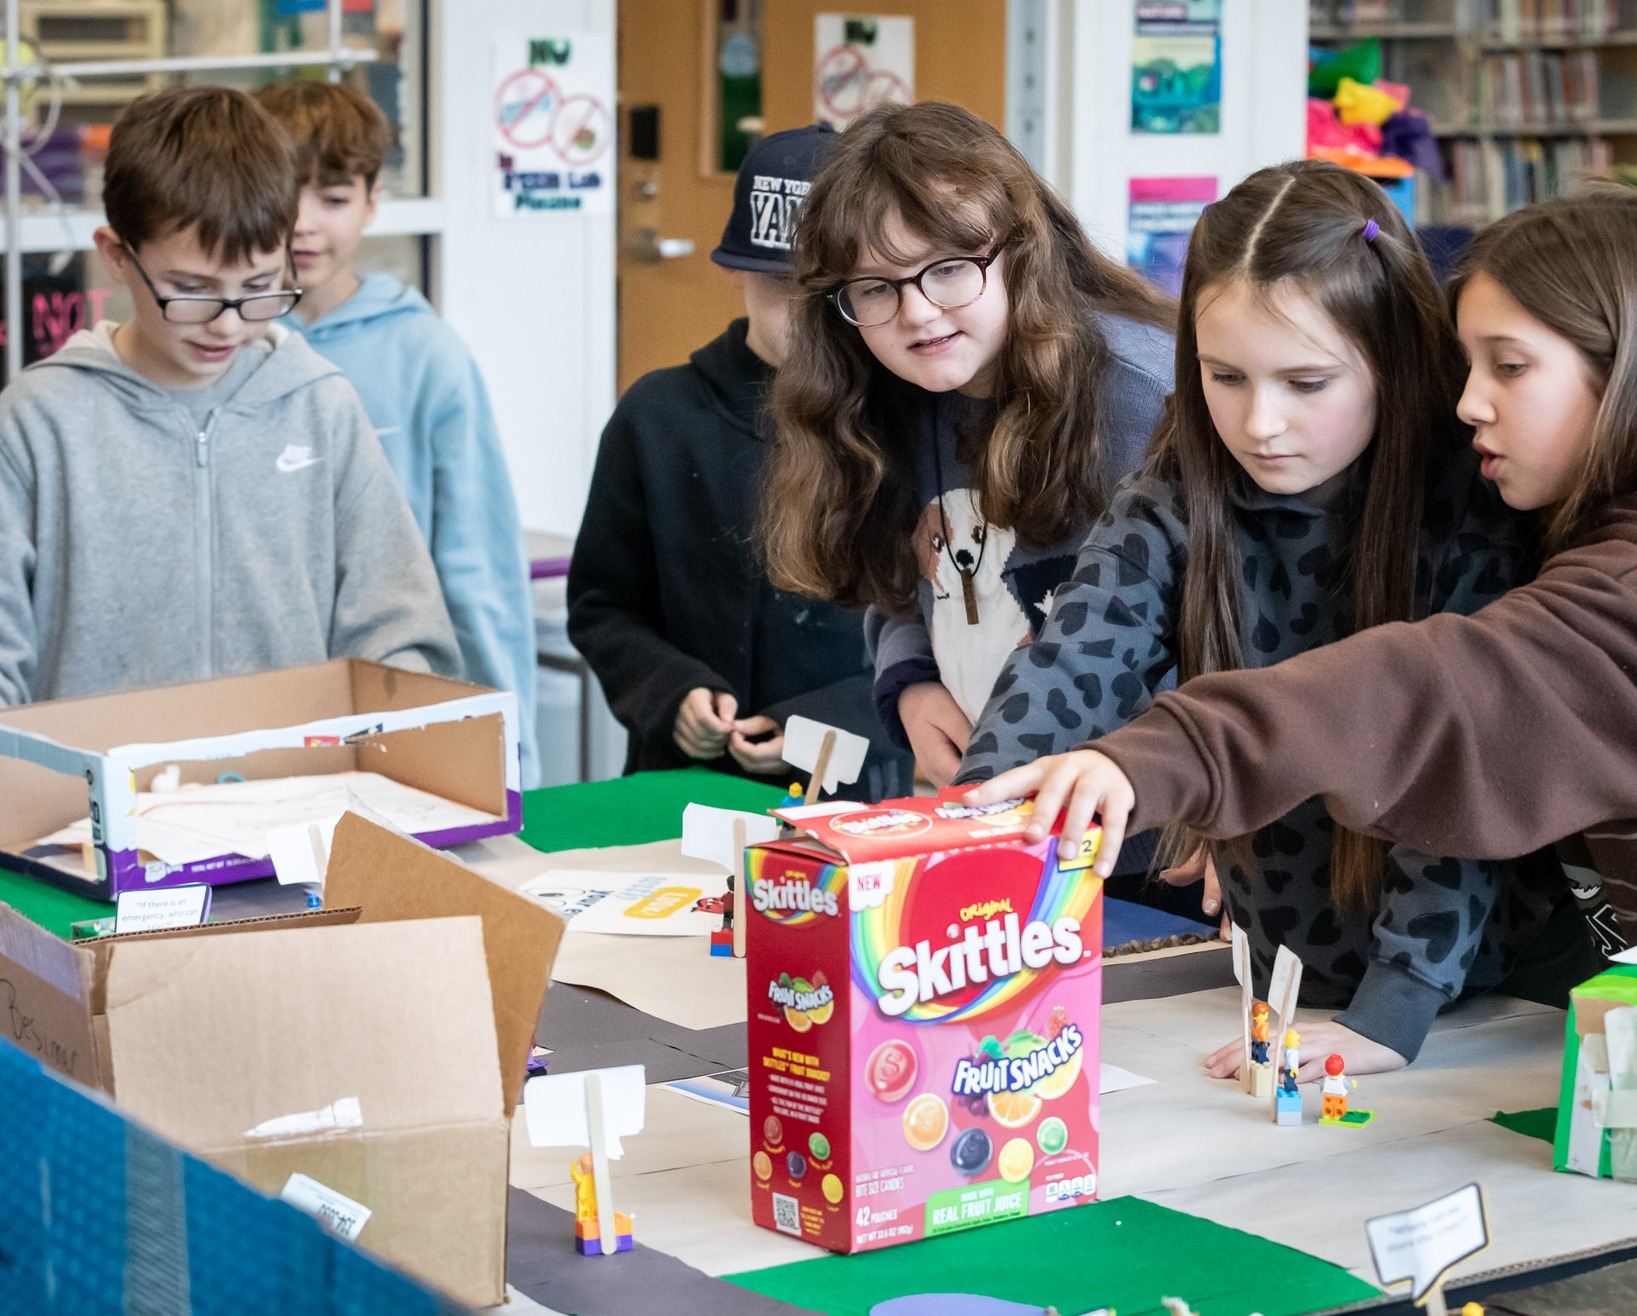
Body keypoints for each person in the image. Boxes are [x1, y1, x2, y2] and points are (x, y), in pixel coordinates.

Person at [966, 185, 1637, 1099]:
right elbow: (1078, 652)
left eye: (1507, 368)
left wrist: (1164, 755)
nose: (1466, 400)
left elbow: (1436, 689)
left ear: (1633, 369)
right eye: (1467, 363)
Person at [960, 164, 1569, 1077]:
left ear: (1392, 361)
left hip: (1476, 998)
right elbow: (1073, 660)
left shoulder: (1471, 505)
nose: (1261, 422)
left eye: (1307, 382)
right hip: (1285, 979)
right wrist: (964, 843)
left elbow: (1464, 767)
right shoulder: (1181, 481)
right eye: (1226, 376)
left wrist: (1393, 1007)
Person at [0, 85, 457, 853]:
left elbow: (398, 631)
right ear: (115, 257)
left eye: (260, 290)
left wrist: (417, 730)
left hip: (297, 837)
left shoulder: (321, 409)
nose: (227, 324)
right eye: (191, 292)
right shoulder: (37, 424)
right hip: (87, 842)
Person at [760, 101, 1175, 792]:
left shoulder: (1142, 394)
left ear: (1022, 250)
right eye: (875, 287)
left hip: (1156, 837)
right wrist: (912, 681)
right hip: (993, 819)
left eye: (950, 267)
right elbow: (907, 583)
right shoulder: (893, 385)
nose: (918, 311)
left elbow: (1238, 621)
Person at [568, 126, 907, 799]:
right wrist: (672, 691)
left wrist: (821, 724)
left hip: (853, 800)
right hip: (675, 792)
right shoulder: (655, 416)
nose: (811, 318)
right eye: (786, 287)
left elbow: (937, 636)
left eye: (834, 292)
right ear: (734, 269)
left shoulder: (905, 424)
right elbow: (603, 606)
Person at [256, 80, 539, 783]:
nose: (303, 224)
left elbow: (478, 569)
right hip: (253, 722)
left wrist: (515, 752)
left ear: (375, 200)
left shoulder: (427, 354)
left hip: (389, 715)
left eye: (333, 197)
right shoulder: (224, 348)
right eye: (283, 193)